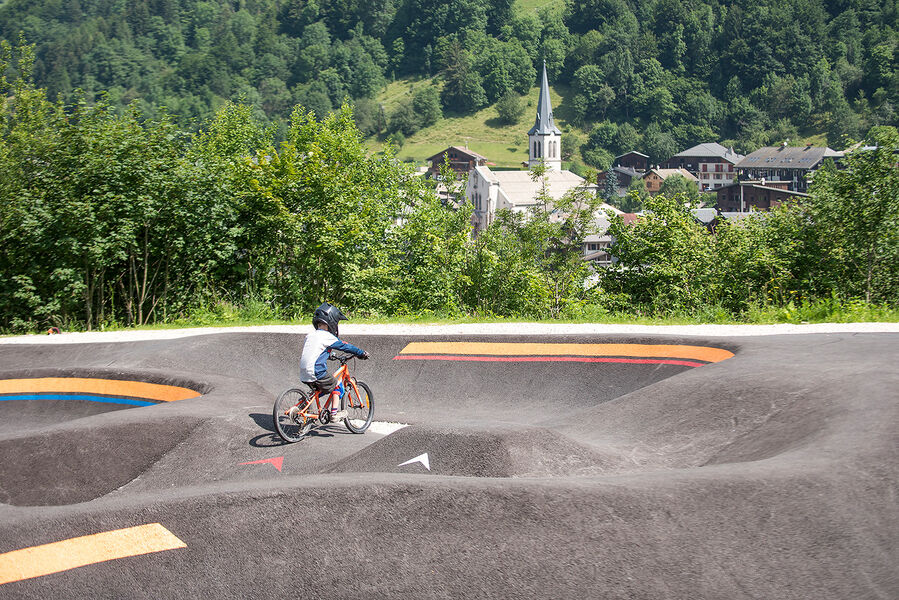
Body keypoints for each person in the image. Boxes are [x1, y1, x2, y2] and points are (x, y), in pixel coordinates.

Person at [299, 302, 369, 422]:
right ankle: (334, 414)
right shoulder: (327, 336)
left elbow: (315, 351)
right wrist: (360, 352)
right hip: (316, 371)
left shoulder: (310, 335)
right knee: (337, 386)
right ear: (331, 322)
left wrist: (329, 355)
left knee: (322, 388)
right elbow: (345, 346)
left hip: (303, 371)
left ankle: (302, 404)